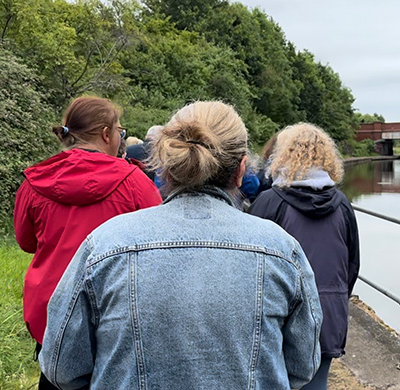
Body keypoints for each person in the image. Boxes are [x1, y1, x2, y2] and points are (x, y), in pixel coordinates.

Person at [39, 101, 323, 389]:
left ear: (166, 167)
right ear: (240, 170)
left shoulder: (104, 245)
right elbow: (302, 367)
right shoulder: (282, 251)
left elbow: (62, 366)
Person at [14, 96, 162, 390]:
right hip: (114, 314)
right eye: (120, 131)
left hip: (50, 315)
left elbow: (26, 241)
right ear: (106, 134)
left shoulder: (35, 181)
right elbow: (157, 248)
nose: (120, 137)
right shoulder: (135, 182)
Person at [249, 123, 360, 390]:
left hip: (278, 318)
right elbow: (352, 266)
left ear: (282, 155)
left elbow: (250, 265)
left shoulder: (268, 203)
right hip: (328, 315)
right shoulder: (343, 205)